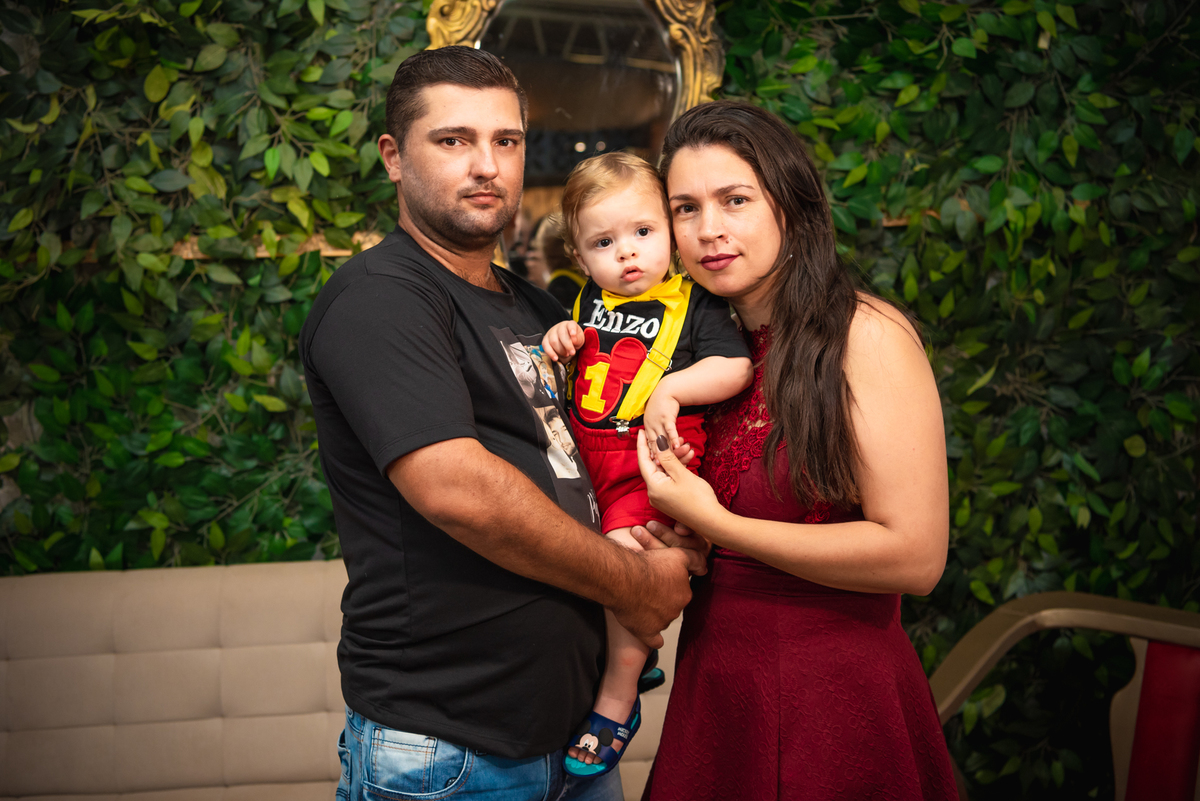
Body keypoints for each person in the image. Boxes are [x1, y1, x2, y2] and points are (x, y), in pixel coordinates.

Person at [298, 46, 704, 801]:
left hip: (573, 742)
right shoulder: (380, 297)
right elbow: (458, 490)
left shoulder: (540, 309)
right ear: (393, 157)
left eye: (506, 141)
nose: (486, 165)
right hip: (451, 751)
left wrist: (673, 526)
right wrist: (635, 583)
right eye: (453, 140)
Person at [633, 100, 960, 800]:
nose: (709, 228)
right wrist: (684, 539)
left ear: (792, 203)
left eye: (735, 200)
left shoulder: (864, 335)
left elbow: (917, 555)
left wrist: (719, 524)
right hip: (716, 691)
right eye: (685, 208)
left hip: (832, 698)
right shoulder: (706, 361)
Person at [539, 152, 752, 777]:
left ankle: (617, 700)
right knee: (573, 565)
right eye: (604, 242)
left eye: (642, 232)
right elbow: (566, 368)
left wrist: (673, 389)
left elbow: (736, 367)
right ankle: (633, 655)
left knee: (625, 563)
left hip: (651, 463)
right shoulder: (583, 300)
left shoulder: (696, 302)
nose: (627, 252)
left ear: (670, 234)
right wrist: (558, 340)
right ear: (580, 257)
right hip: (584, 464)